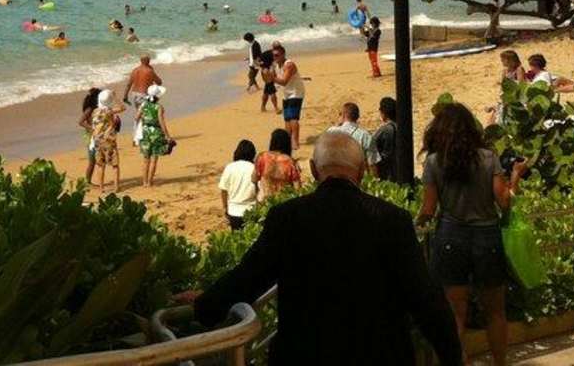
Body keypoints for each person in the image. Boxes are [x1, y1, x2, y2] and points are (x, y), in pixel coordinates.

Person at [192, 132, 462, 366]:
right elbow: (425, 298)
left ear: (313, 170)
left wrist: (204, 306)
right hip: (379, 354)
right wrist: (452, 356)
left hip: (305, 355)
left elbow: (248, 277)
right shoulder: (393, 219)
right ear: (361, 172)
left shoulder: (287, 217)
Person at [418, 101, 525, 366]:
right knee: (495, 312)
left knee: (455, 314)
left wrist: (416, 224)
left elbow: (428, 209)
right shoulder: (488, 157)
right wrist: (515, 176)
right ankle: (500, 363)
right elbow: (504, 201)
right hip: (486, 235)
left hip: (450, 235)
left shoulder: (434, 161)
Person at [268, 43, 306, 149]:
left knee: (293, 117)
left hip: (296, 92)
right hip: (286, 93)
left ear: (283, 54)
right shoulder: (276, 65)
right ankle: (287, 139)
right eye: (273, 55)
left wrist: (272, 77)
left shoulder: (289, 65)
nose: (275, 57)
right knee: (287, 118)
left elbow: (284, 81)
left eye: (277, 55)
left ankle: (295, 141)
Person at [138, 84, 173, 186]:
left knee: (145, 159)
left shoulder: (143, 105)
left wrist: (144, 120)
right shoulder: (159, 107)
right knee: (154, 158)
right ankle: (150, 182)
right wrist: (167, 135)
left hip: (145, 133)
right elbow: (161, 122)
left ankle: (144, 182)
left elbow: (137, 117)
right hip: (156, 133)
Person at [218, 139, 257, 230]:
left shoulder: (230, 167)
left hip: (233, 211)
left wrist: (225, 207)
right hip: (251, 210)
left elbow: (224, 190)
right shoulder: (254, 168)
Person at [90, 88, 124, 191]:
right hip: (108, 140)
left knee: (100, 165)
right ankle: (116, 187)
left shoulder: (95, 111)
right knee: (115, 165)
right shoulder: (109, 111)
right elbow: (122, 107)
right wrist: (115, 97)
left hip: (97, 140)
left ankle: (101, 188)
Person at [252, 127, 301, 199]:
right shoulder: (290, 162)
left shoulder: (262, 157)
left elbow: (254, 179)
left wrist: (257, 191)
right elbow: (297, 187)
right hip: (283, 200)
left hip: (264, 200)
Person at [327, 102, 377, 168]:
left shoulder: (331, 131)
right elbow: (372, 163)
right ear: (357, 117)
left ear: (343, 115)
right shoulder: (366, 136)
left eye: (340, 114)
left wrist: (338, 124)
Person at [373, 96, 399, 181]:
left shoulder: (385, 129)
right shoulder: (401, 128)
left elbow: (371, 146)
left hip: (386, 172)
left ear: (383, 113)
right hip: (398, 170)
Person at [79, 88, 101, 183]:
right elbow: (81, 122)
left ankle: (89, 181)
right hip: (90, 136)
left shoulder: (97, 109)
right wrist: (92, 129)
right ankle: (87, 182)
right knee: (92, 161)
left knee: (96, 160)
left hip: (96, 135)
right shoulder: (90, 109)